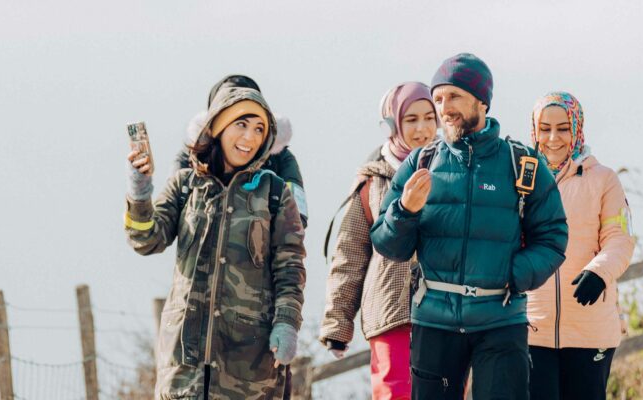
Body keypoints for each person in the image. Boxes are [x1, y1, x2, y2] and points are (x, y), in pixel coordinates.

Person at [370, 53, 568, 400]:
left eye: (454, 97)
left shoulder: (522, 163)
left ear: (482, 101)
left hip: (501, 323)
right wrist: (405, 210)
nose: (444, 107)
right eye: (440, 98)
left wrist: (513, 275)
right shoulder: (422, 162)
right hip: (434, 324)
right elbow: (388, 245)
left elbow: (553, 237)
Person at [125, 86, 306, 399]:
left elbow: (290, 270)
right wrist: (140, 191)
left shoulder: (275, 194)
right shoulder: (185, 186)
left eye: (259, 129)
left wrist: (287, 323)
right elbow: (146, 240)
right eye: (241, 125)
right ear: (218, 126)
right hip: (184, 364)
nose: (249, 138)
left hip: (248, 370)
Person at [320, 82, 437, 400]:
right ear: (393, 123)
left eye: (430, 117)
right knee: (394, 392)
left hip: (446, 312)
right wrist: (338, 324)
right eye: (411, 119)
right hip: (390, 308)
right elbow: (350, 252)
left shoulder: (454, 169)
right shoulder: (373, 180)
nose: (422, 128)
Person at [526, 92, 635, 400]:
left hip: (591, 330)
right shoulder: (522, 179)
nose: (553, 137)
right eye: (544, 128)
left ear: (577, 128)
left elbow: (620, 237)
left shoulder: (604, 179)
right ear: (534, 131)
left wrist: (599, 272)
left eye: (562, 128)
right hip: (533, 329)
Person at [173, 74, 309, 228]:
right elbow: (169, 215)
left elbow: (298, 220)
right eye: (237, 121)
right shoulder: (191, 157)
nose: (247, 136)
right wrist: (141, 183)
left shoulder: (280, 158)